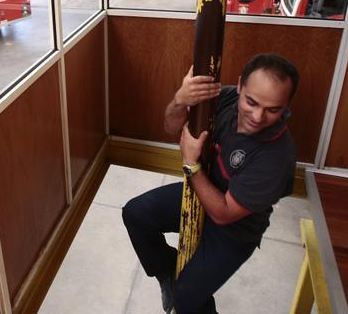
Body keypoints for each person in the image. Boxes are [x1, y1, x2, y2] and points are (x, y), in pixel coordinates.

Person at [122, 53, 299, 314]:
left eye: (273, 109)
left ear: (285, 106)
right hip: (200, 193)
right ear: (240, 86)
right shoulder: (225, 99)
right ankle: (167, 272)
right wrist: (180, 100)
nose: (258, 116)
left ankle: (186, 291)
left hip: (235, 228)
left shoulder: (277, 157)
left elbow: (224, 214)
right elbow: (171, 126)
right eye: (251, 102)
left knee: (186, 299)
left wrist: (191, 164)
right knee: (135, 214)